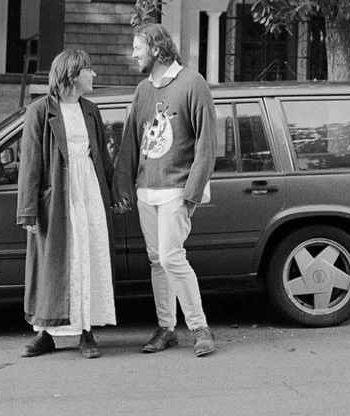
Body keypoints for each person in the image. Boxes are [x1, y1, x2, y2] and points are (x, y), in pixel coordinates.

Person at [114, 23, 217, 357]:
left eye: (138, 48)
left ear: (156, 49)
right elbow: (131, 140)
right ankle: (166, 328)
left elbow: (207, 143)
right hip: (147, 189)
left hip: (176, 188)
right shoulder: (143, 90)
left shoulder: (193, 83)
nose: (134, 54)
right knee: (157, 260)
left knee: (173, 258)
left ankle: (200, 328)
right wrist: (123, 187)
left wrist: (192, 193)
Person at [16, 48, 117, 358]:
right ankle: (46, 333)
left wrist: (115, 194)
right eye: (89, 70)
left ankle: (86, 332)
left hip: (88, 193)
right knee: (53, 264)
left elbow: (102, 156)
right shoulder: (39, 111)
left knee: (88, 256)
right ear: (73, 75)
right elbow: (30, 164)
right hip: (57, 197)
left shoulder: (91, 110)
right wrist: (28, 210)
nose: (94, 75)